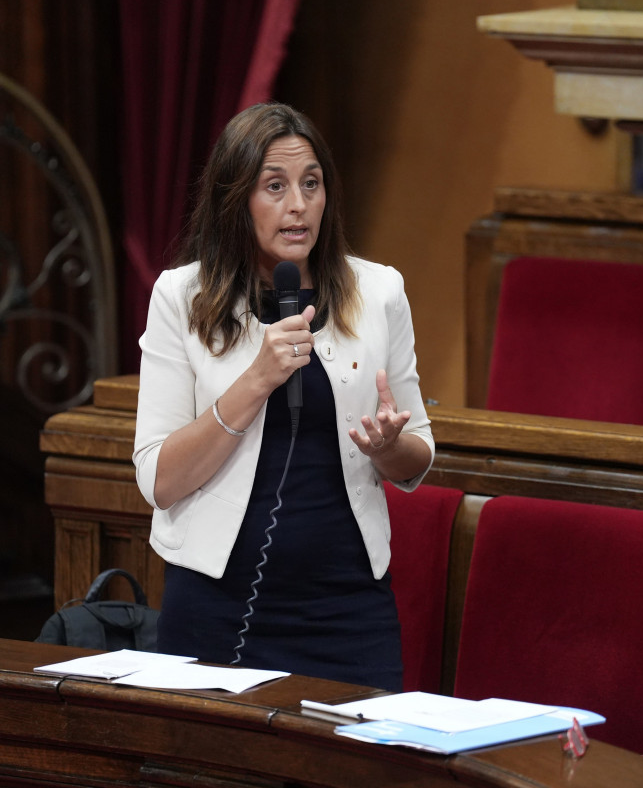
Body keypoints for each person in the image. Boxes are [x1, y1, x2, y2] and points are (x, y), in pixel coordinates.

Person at [132, 102, 434, 691]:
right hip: (215, 603)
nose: (298, 204)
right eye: (275, 186)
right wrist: (256, 380)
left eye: (311, 184)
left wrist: (387, 448)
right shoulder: (181, 298)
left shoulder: (379, 292)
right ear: (236, 199)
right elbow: (159, 480)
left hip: (347, 607)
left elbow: (417, 455)